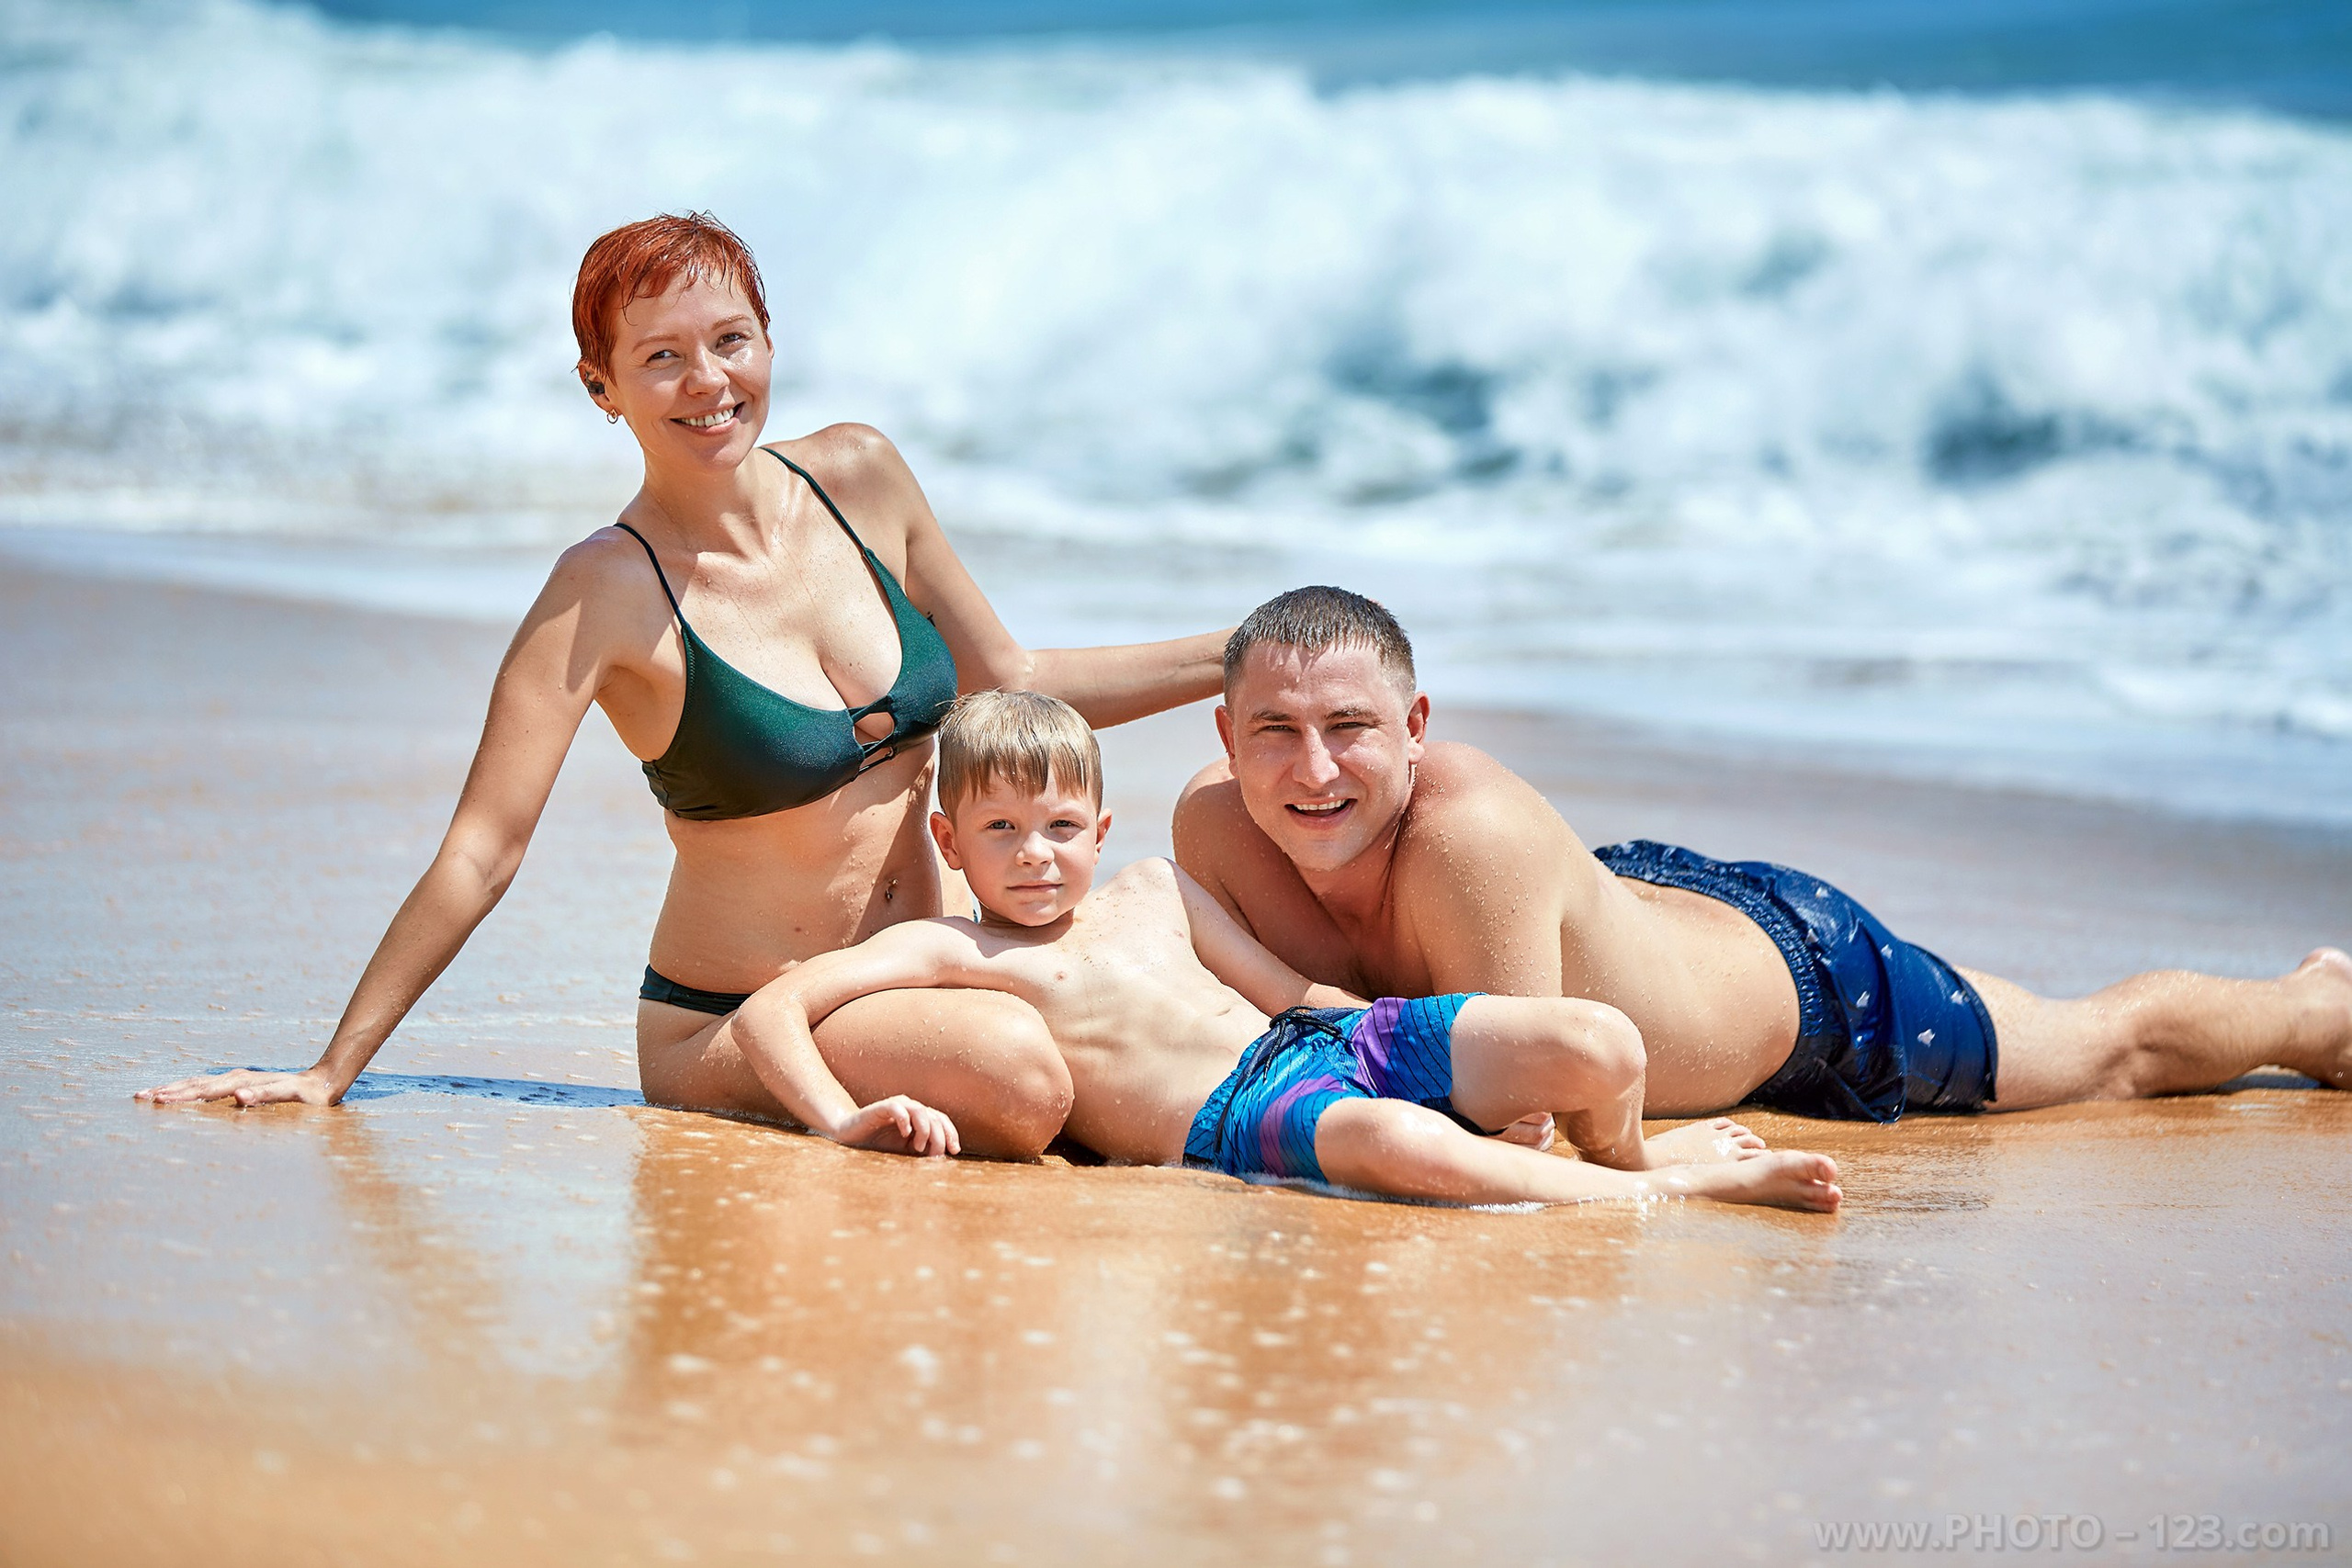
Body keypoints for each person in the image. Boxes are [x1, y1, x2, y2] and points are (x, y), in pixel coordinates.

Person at [136, 212, 1227, 1157]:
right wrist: (334, 1068)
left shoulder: (862, 478)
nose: (708, 382)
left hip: (909, 982)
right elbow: (484, 848)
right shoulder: (603, 593)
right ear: (600, 386)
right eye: (660, 358)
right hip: (737, 1022)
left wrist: (1244, 655)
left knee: (1178, 966)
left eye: (730, 341)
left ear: (767, 343)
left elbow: (1020, 680)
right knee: (1025, 1078)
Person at [1173, 587, 2352, 1122]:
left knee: (2107, 1054)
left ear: (1415, 729)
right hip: (1640, 909)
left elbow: (1523, 1108)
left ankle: (2315, 1012)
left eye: (1351, 730)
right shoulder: (1213, 828)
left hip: (1800, 983)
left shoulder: (1463, 834)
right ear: (1229, 736)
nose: (1313, 772)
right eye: (1275, 732)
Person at [711, 689, 1844, 1211]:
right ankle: (1663, 1201)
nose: (1038, 857)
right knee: (1398, 1140)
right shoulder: (952, 947)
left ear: (1099, 831)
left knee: (1591, 1039)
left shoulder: (1157, 888)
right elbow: (775, 1010)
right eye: (1001, 832)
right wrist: (836, 1119)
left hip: (1323, 1046)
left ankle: (1630, 1153)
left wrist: (1431, 1044)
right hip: (1223, 1120)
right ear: (950, 841)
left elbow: (1292, 991)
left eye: (1061, 828)